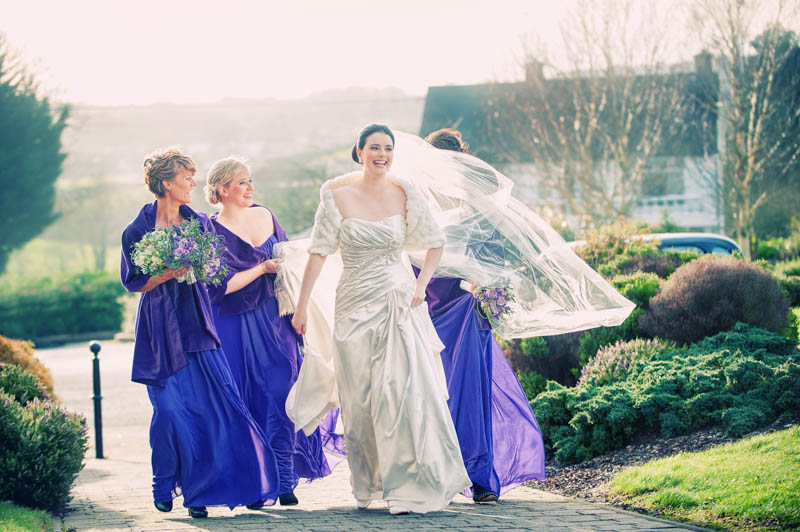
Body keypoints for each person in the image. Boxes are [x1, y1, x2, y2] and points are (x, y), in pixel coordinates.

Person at [289, 124, 471, 514]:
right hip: (353, 305)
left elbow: (436, 243)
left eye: (388, 148)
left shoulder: (405, 192)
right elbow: (319, 253)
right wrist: (302, 306)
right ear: (358, 151)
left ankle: (408, 486)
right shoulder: (335, 197)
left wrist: (421, 286)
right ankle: (368, 484)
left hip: (398, 303)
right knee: (361, 403)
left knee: (399, 393)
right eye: (374, 147)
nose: (382, 154)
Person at [120, 147, 279, 518]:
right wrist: (167, 273)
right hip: (159, 330)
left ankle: (207, 491)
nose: (193, 182)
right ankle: (163, 482)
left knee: (217, 409)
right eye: (186, 177)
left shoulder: (201, 225)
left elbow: (215, 276)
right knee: (170, 412)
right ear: (165, 183)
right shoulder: (137, 229)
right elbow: (134, 282)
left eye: (193, 176)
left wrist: (204, 268)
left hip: (197, 323)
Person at [204, 157, 344, 507]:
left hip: (275, 319)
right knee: (246, 400)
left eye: (250, 181)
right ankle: (257, 482)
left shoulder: (265, 215)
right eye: (241, 182)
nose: (250, 188)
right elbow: (218, 287)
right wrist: (260, 268)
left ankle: (284, 479)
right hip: (233, 323)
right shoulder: (209, 230)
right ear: (222, 189)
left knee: (284, 393)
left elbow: (291, 268)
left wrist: (302, 309)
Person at [417, 128, 547, 503]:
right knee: (428, 392)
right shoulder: (417, 199)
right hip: (425, 306)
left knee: (470, 390)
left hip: (465, 307)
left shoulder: (482, 203)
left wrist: (487, 287)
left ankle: (480, 477)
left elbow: (495, 255)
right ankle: (434, 474)